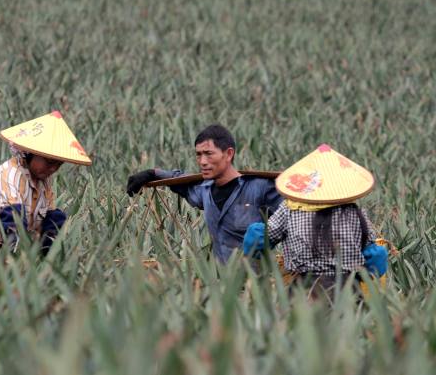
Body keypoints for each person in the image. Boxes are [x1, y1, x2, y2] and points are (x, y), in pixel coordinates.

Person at [242, 144, 388, 300]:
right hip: (348, 291)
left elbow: (259, 239)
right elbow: (375, 256)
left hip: (304, 291)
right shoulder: (354, 212)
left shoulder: (291, 209)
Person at [126, 124, 283, 263]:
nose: (202, 161)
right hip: (218, 283)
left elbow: (294, 214)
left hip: (256, 287)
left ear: (228, 154)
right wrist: (154, 173)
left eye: (208, 154)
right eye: (199, 154)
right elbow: (181, 181)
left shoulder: (260, 188)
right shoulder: (204, 190)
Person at [0, 111, 91, 255]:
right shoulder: (10, 175)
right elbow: (12, 220)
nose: (53, 168)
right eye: (49, 162)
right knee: (15, 218)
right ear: (29, 153)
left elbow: (49, 217)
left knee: (56, 218)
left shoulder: (44, 180)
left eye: (58, 164)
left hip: (11, 237)